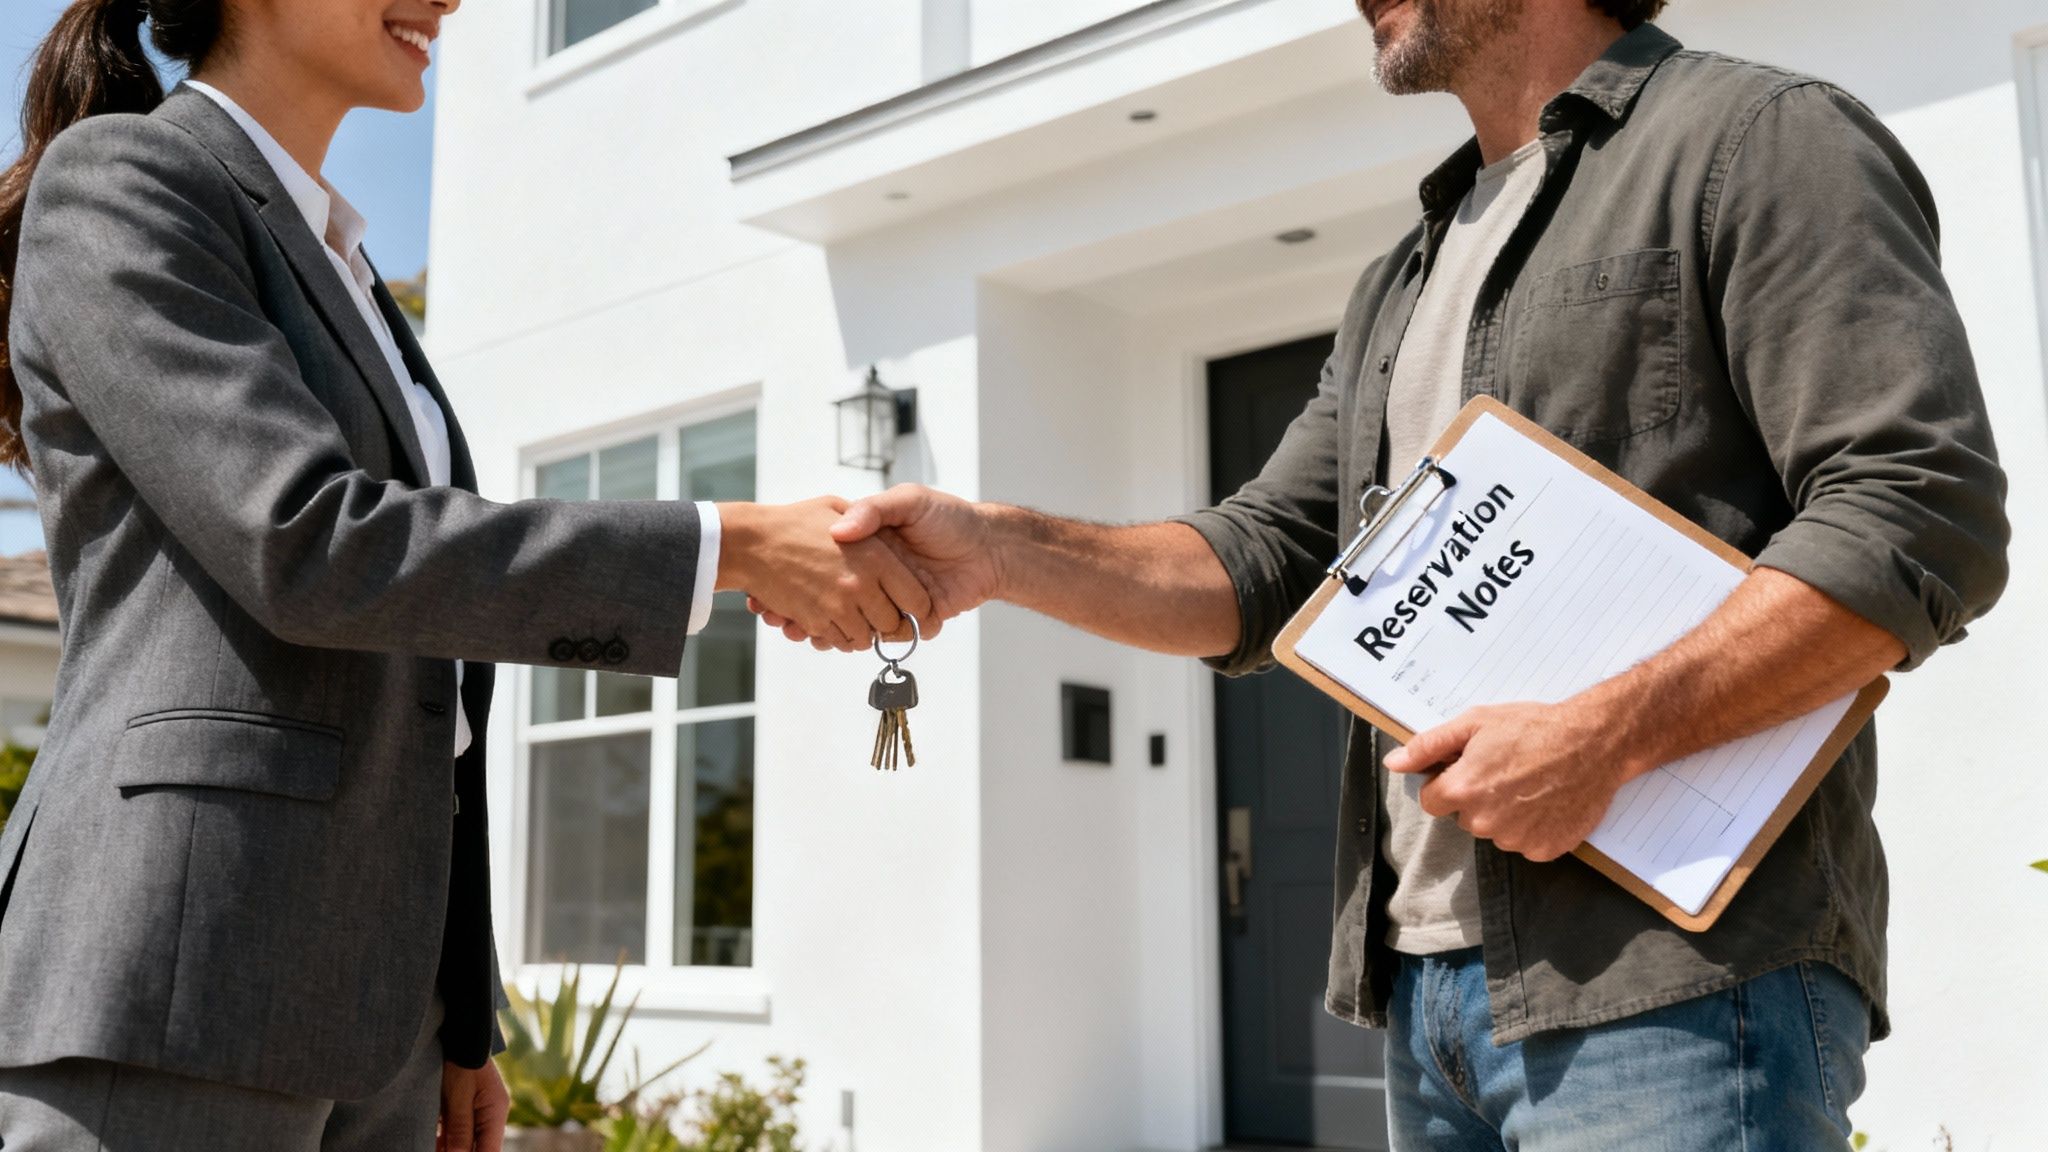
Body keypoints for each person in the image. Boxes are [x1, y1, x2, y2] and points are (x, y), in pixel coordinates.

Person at [762, 0, 2012, 1145]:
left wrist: (1602, 738)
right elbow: (1261, 567)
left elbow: (1918, 514)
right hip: (1427, 998)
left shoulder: (1754, 139)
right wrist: (994, 550)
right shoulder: (1400, 279)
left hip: (1673, 985)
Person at [0, 1, 928, 1148]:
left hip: (374, 1015)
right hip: (179, 976)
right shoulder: (126, 176)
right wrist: (726, 546)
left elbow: (430, 686)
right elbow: (308, 540)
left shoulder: (348, 266)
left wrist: (460, 1012)